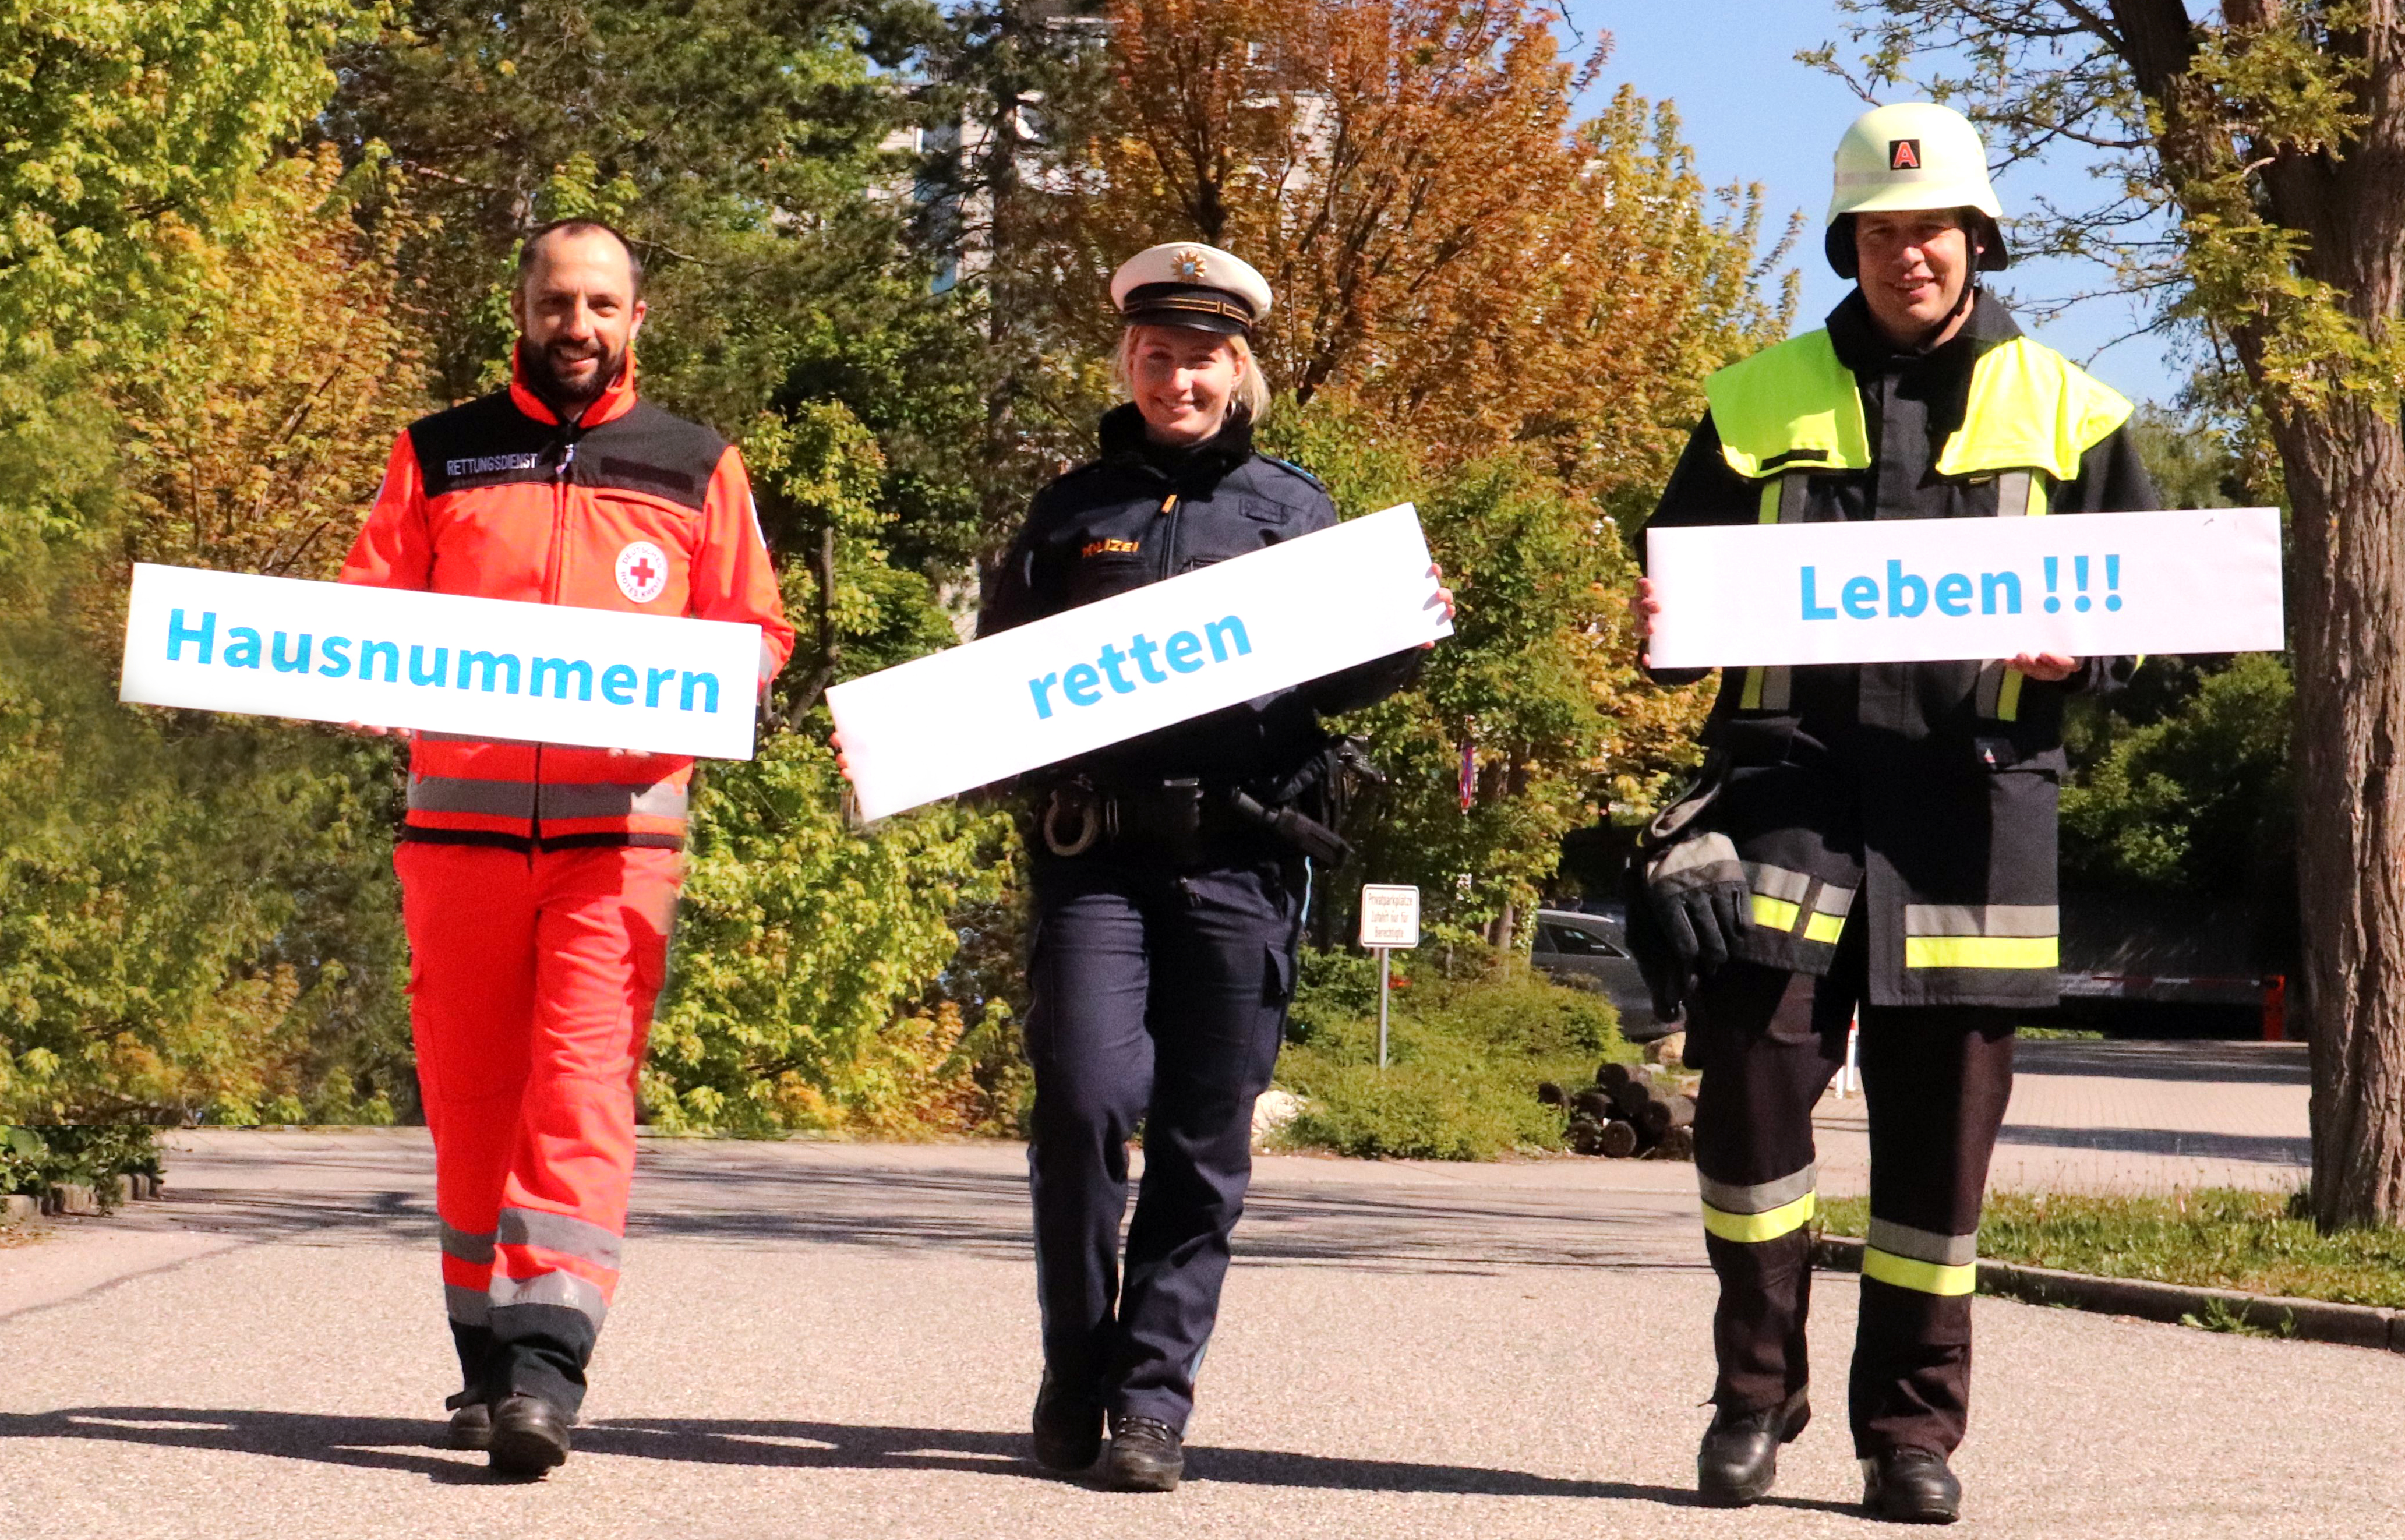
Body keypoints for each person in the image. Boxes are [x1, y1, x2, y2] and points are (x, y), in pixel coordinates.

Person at [1629, 104, 2159, 1524]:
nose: (1905, 253)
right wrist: (1663, 622)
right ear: (1846, 243)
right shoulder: (1752, 397)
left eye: (1929, 230)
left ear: (1973, 239)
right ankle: (1756, 1397)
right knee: (1746, 1090)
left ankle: (1909, 1434)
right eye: (1878, 231)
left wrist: (2086, 651)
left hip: (1974, 810)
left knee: (1938, 1151)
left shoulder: (2073, 405)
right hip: (1787, 793)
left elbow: (2150, 606)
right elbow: (1674, 582)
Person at [973, 242, 1450, 1492]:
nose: (1175, 376)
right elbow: (991, 680)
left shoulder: (1295, 511)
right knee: (1081, 1102)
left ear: (1238, 371)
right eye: (1155, 355)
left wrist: (1404, 634)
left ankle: (1149, 1402)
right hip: (1097, 860)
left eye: (1200, 358)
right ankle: (1076, 1368)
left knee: (1202, 1139)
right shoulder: (1070, 508)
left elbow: (1346, 673)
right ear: (1125, 361)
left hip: (1239, 860)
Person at [340, 218, 793, 1477]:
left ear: (636, 319)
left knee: (581, 1094)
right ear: (522, 310)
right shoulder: (436, 451)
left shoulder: (697, 463)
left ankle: (548, 1369)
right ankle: (485, 1364)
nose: (577, 325)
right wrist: (356, 667)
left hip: (617, 846)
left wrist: (733, 682)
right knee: (475, 1105)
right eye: (556, 302)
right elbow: (369, 602)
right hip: (455, 842)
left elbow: (755, 627)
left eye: (601, 304)